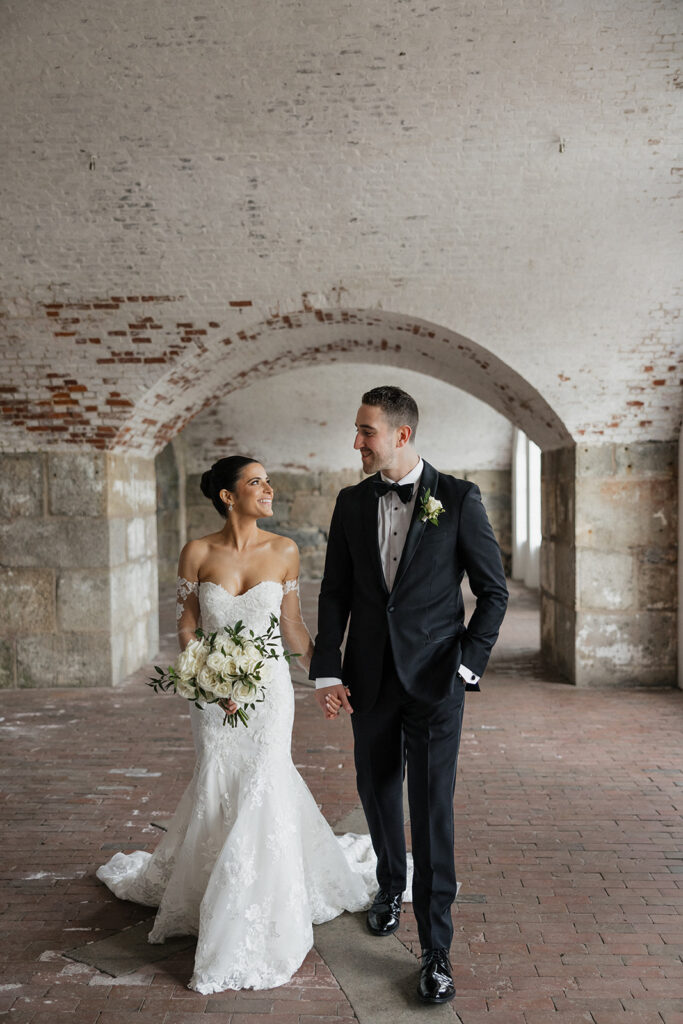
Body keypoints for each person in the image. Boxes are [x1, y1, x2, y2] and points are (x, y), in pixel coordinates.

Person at [97, 455, 385, 993]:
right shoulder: (197, 552)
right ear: (229, 496)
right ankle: (210, 883)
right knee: (218, 781)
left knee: (264, 781)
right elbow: (186, 627)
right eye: (256, 482)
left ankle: (259, 899)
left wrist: (326, 677)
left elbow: (293, 626)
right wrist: (208, 678)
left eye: (268, 481)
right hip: (213, 696)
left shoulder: (284, 550)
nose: (269, 489)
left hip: (270, 692)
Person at [310, 386, 509, 1005]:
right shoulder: (349, 503)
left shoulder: (457, 498)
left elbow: (492, 591)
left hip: (436, 684)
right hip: (368, 680)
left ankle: (436, 950)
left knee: (432, 812)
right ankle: (389, 886)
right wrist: (326, 669)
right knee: (376, 790)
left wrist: (466, 669)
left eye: (365, 431)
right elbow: (335, 592)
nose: (356, 442)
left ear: (401, 435)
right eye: (357, 429)